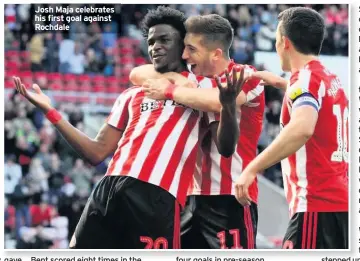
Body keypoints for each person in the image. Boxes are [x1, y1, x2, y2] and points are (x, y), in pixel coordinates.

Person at [13, 6, 243, 249]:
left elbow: (226, 147)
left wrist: (227, 106)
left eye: (165, 39)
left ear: (184, 46)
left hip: (156, 197)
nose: (155, 46)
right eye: (151, 41)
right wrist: (51, 111)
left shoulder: (200, 89)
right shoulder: (131, 94)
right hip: (107, 190)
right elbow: (96, 152)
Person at [130, 14, 265, 249]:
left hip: (230, 197)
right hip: (187, 198)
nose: (184, 56)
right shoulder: (194, 79)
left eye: (191, 49)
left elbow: (216, 103)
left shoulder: (244, 76)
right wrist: (176, 79)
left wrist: (170, 90)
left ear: (216, 54)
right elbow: (137, 74)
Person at [235, 7, 349, 249]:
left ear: (284, 42)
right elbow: (312, 98)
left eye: (276, 40)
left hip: (317, 206)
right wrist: (280, 83)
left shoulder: (306, 79)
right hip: (339, 204)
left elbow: (302, 128)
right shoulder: (330, 79)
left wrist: (252, 168)